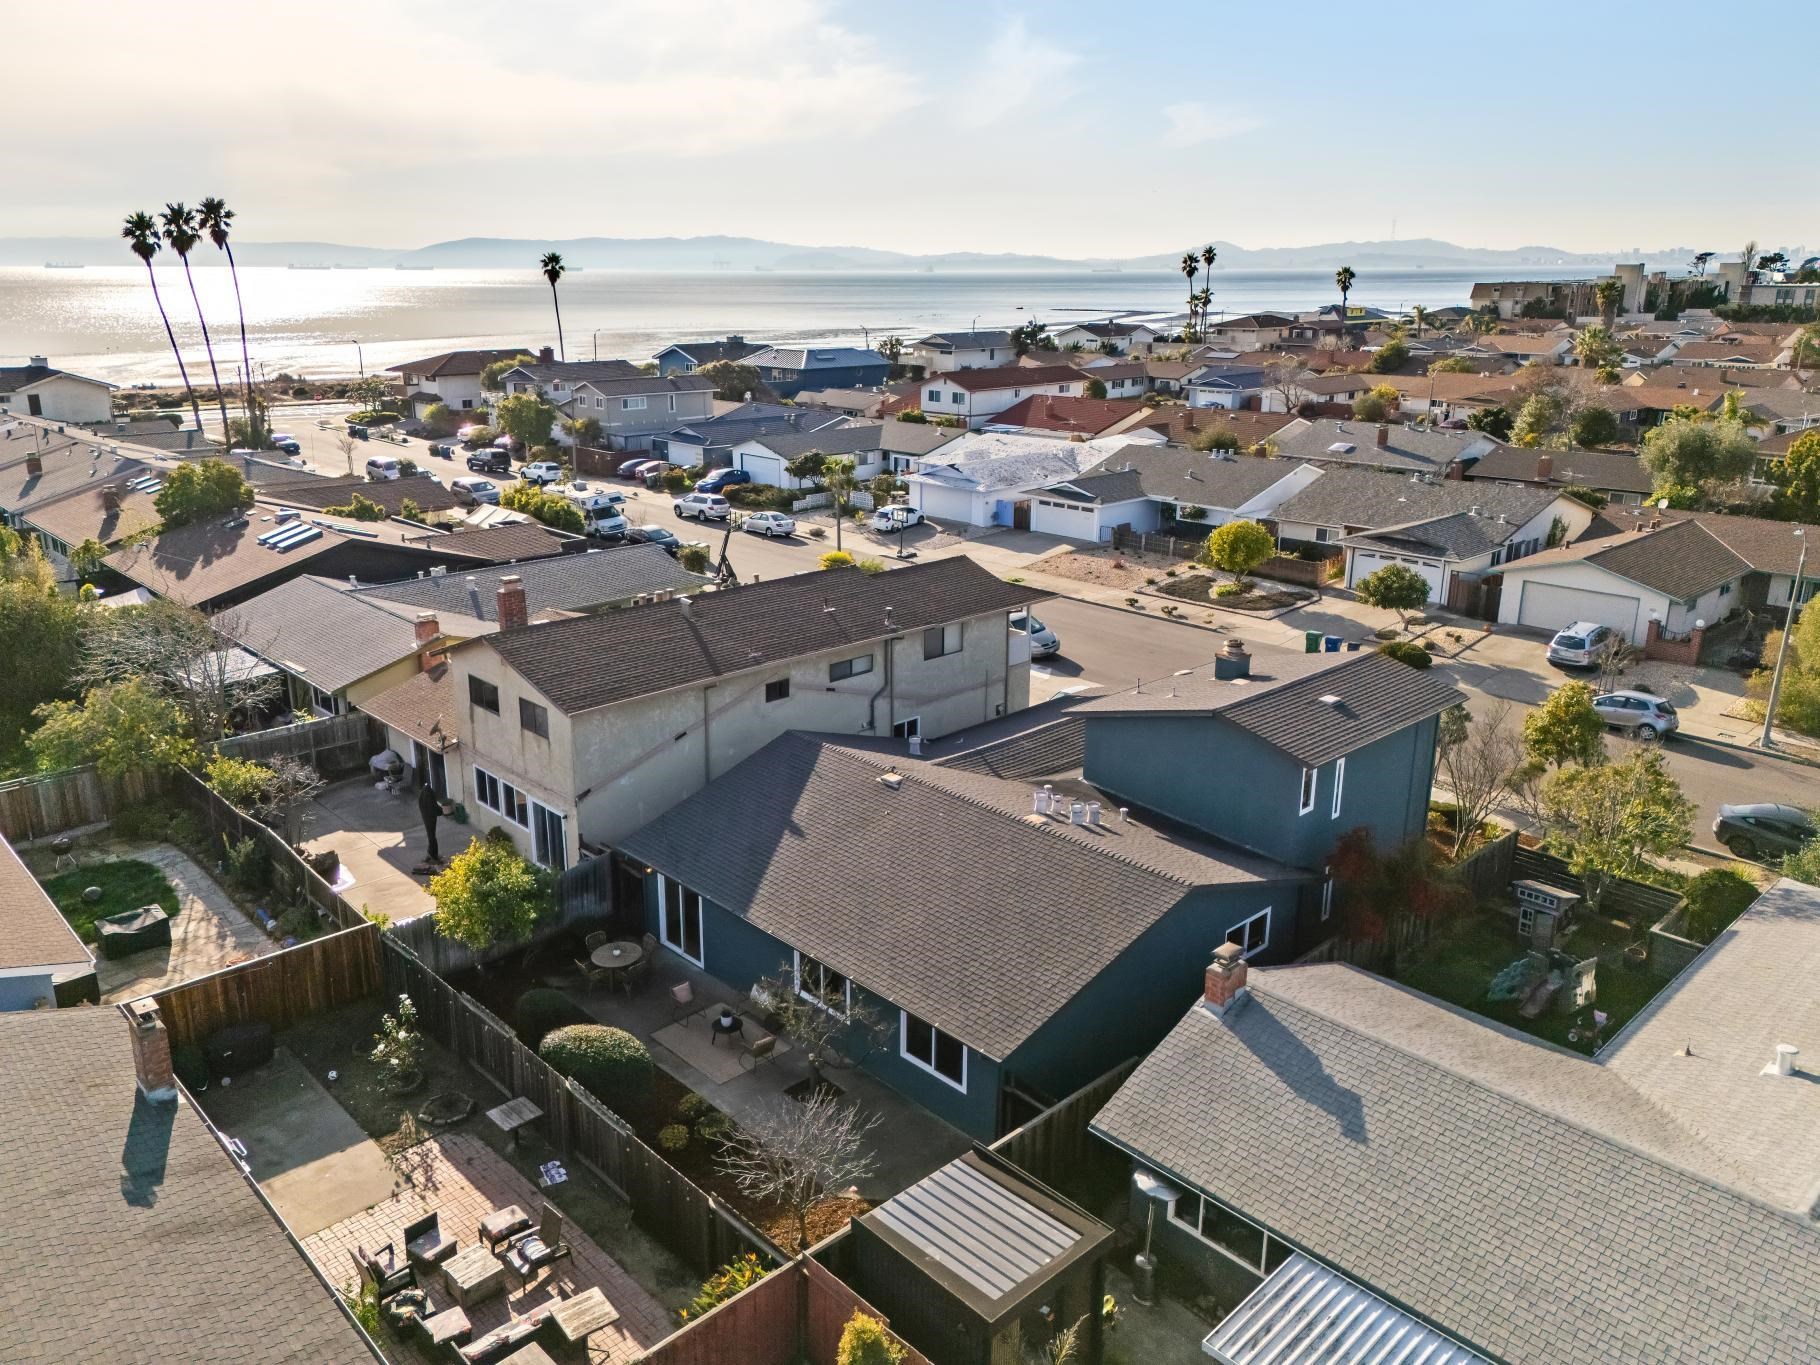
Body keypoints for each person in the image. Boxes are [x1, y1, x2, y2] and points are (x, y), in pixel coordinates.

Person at [416, 778, 444, 863]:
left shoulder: (423, 792)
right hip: (430, 818)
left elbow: (429, 806)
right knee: (432, 836)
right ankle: (433, 855)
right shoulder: (428, 793)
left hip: (427, 817)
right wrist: (440, 811)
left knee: (431, 836)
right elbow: (433, 807)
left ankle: (430, 853)